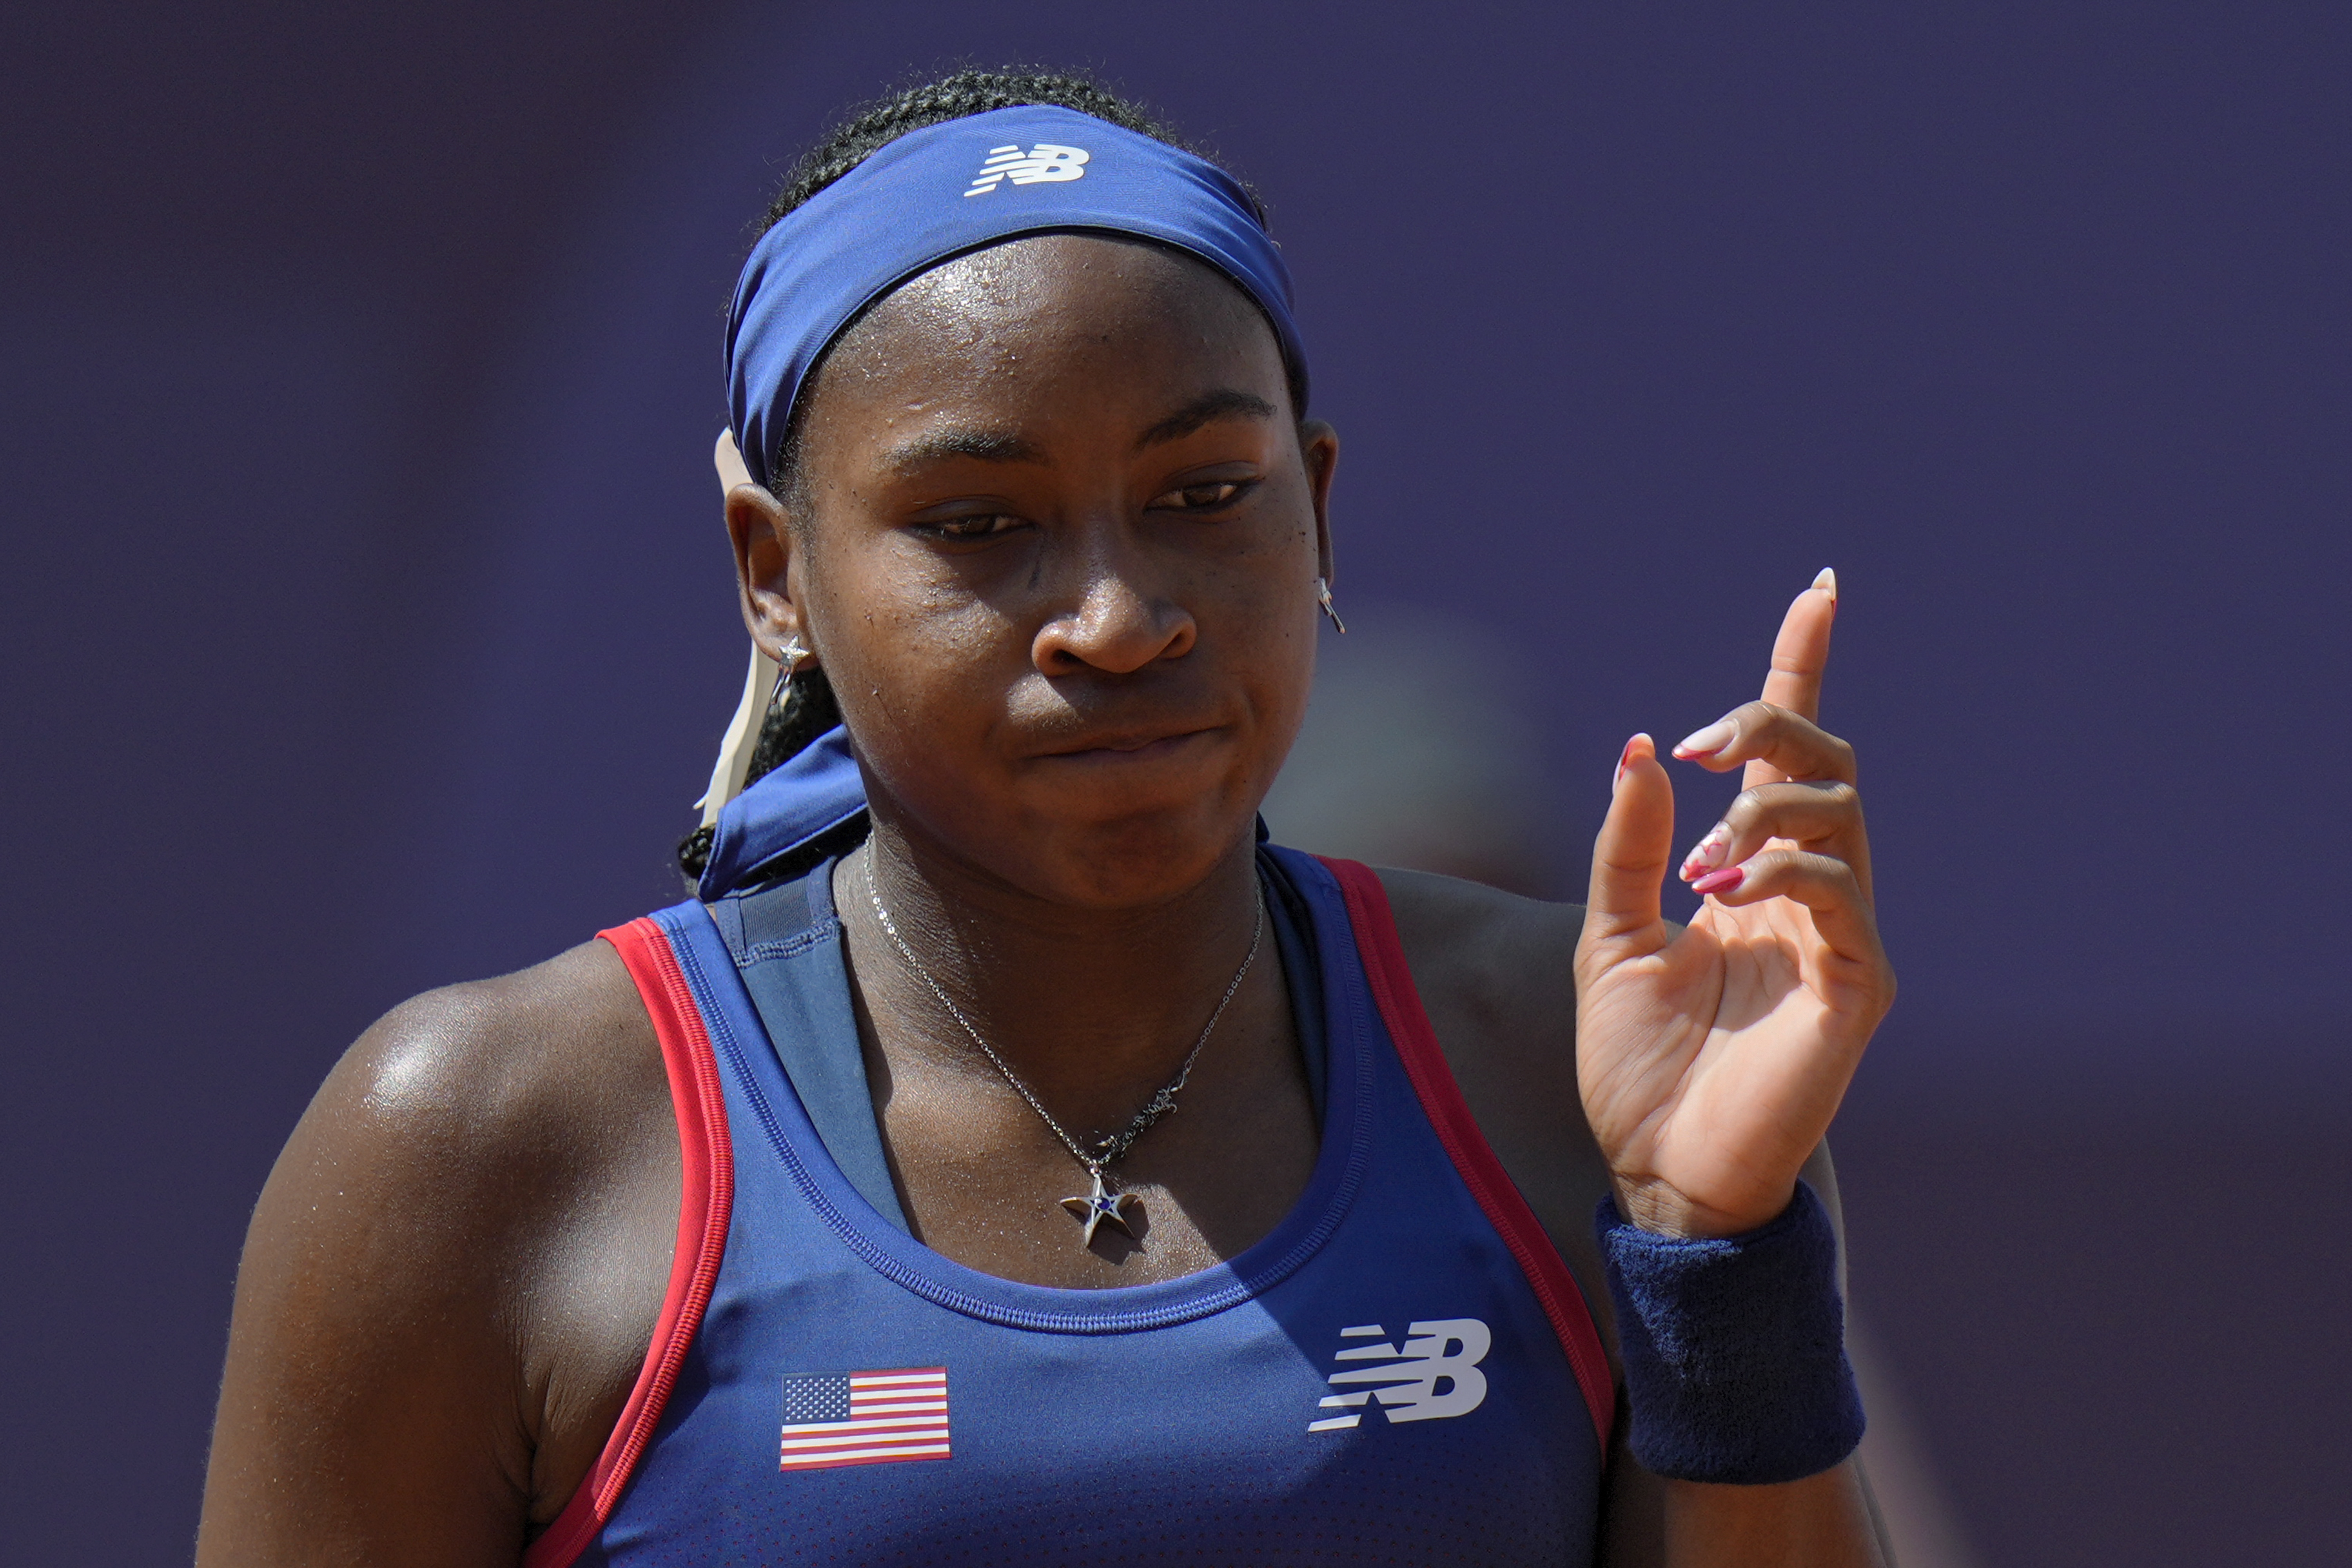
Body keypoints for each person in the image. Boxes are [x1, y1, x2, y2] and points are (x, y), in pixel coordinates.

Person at [196, 71, 1899, 1566]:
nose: (1117, 611)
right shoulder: (478, 1145)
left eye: (1203, 495)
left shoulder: (1575, 1060)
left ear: (1314, 506)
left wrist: (1718, 1250)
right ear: (774, 571)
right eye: (981, 520)